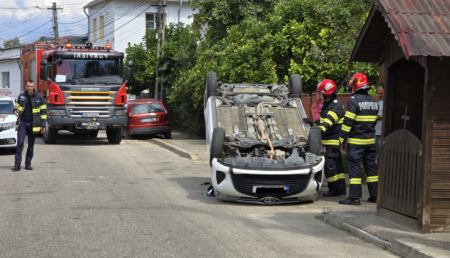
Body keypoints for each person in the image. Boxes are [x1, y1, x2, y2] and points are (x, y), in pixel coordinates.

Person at [339, 73, 378, 205]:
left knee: (355, 169)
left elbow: (348, 123)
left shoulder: (353, 101)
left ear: (355, 85)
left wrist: (341, 139)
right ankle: (375, 196)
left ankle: (354, 197)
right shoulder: (373, 101)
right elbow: (373, 123)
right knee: (371, 169)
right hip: (370, 142)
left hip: (356, 142)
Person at [304, 80, 346, 197]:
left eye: (320, 92)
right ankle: (341, 189)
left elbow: (328, 122)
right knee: (338, 165)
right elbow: (323, 121)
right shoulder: (329, 103)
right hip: (330, 141)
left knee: (329, 165)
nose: (319, 95)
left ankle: (334, 190)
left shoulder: (336, 105)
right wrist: (313, 123)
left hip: (333, 141)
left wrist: (320, 129)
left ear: (327, 93)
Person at [12, 80, 47, 171]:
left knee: (30, 144)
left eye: (31, 86)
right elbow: (17, 105)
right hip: (22, 122)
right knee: (20, 143)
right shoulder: (22, 96)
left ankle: (28, 163)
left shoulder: (39, 97)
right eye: (28, 86)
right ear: (26, 86)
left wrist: (43, 125)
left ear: (34, 86)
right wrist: (15, 109)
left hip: (34, 124)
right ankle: (17, 164)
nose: (30, 88)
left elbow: (43, 112)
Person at [375, 84, 384, 162]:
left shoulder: (388, 103)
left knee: (383, 154)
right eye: (379, 93)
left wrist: (377, 116)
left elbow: (387, 116)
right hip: (376, 132)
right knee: (377, 154)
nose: (380, 95)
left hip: (382, 133)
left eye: (381, 93)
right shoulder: (379, 102)